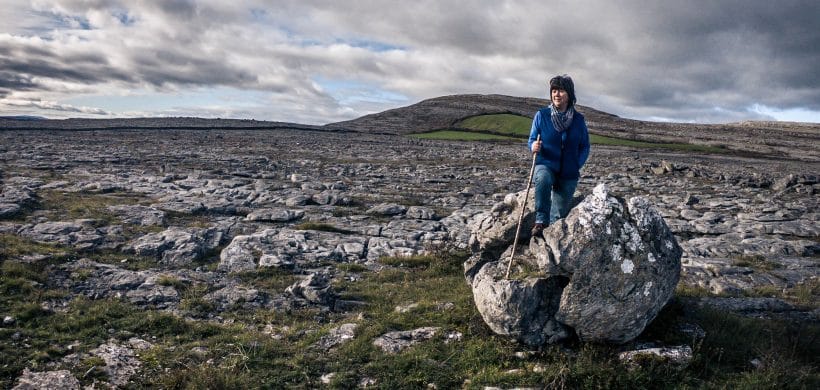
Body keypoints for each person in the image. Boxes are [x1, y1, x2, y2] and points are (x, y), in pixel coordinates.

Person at [527, 74, 591, 236]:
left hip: (569, 170)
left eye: (561, 91)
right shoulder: (542, 115)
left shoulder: (578, 120)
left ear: (569, 95)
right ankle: (540, 221)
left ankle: (550, 234)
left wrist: (577, 164)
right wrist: (533, 146)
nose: (556, 94)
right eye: (554, 91)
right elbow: (532, 139)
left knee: (558, 216)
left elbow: (585, 146)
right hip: (546, 163)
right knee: (542, 178)